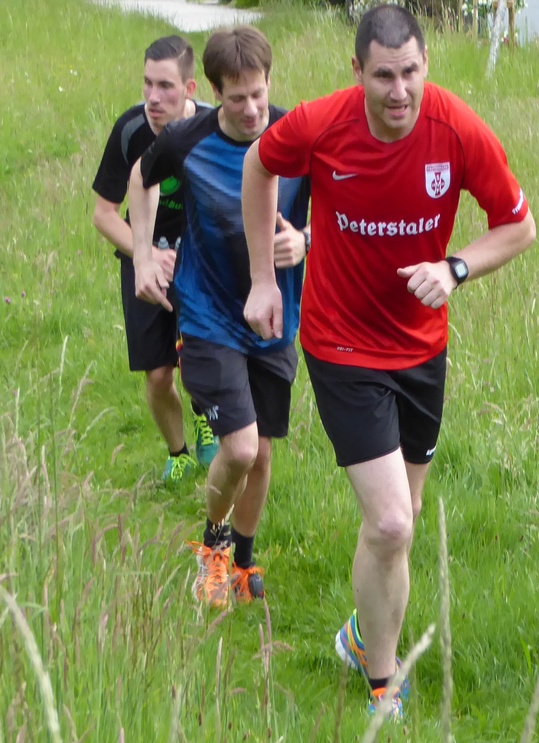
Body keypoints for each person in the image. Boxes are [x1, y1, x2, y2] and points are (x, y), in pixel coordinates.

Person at [241, 4, 536, 717]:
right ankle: (383, 684)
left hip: (421, 349)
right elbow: (258, 163)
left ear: (426, 65)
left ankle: (357, 634)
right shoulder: (323, 122)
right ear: (357, 73)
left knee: (401, 521)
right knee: (393, 524)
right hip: (340, 344)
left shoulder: (456, 129)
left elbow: (518, 227)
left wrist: (456, 269)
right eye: (383, 76)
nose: (398, 91)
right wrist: (260, 278)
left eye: (409, 73)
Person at [129, 26, 311, 608]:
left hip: (274, 317)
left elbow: (336, 210)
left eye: (260, 93)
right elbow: (140, 177)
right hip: (207, 313)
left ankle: (245, 560)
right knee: (239, 449)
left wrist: (304, 240)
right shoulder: (187, 138)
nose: (253, 109)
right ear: (212, 92)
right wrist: (140, 254)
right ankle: (212, 544)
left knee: (264, 454)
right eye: (238, 99)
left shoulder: (296, 137)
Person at [92, 36, 218, 487]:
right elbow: (104, 215)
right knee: (159, 374)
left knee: (203, 360)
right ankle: (178, 452)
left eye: (165, 86)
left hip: (201, 262)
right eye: (147, 83)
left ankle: (207, 414)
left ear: (190, 87)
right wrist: (146, 254)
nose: (153, 97)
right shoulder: (130, 130)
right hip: (141, 253)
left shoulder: (212, 127)